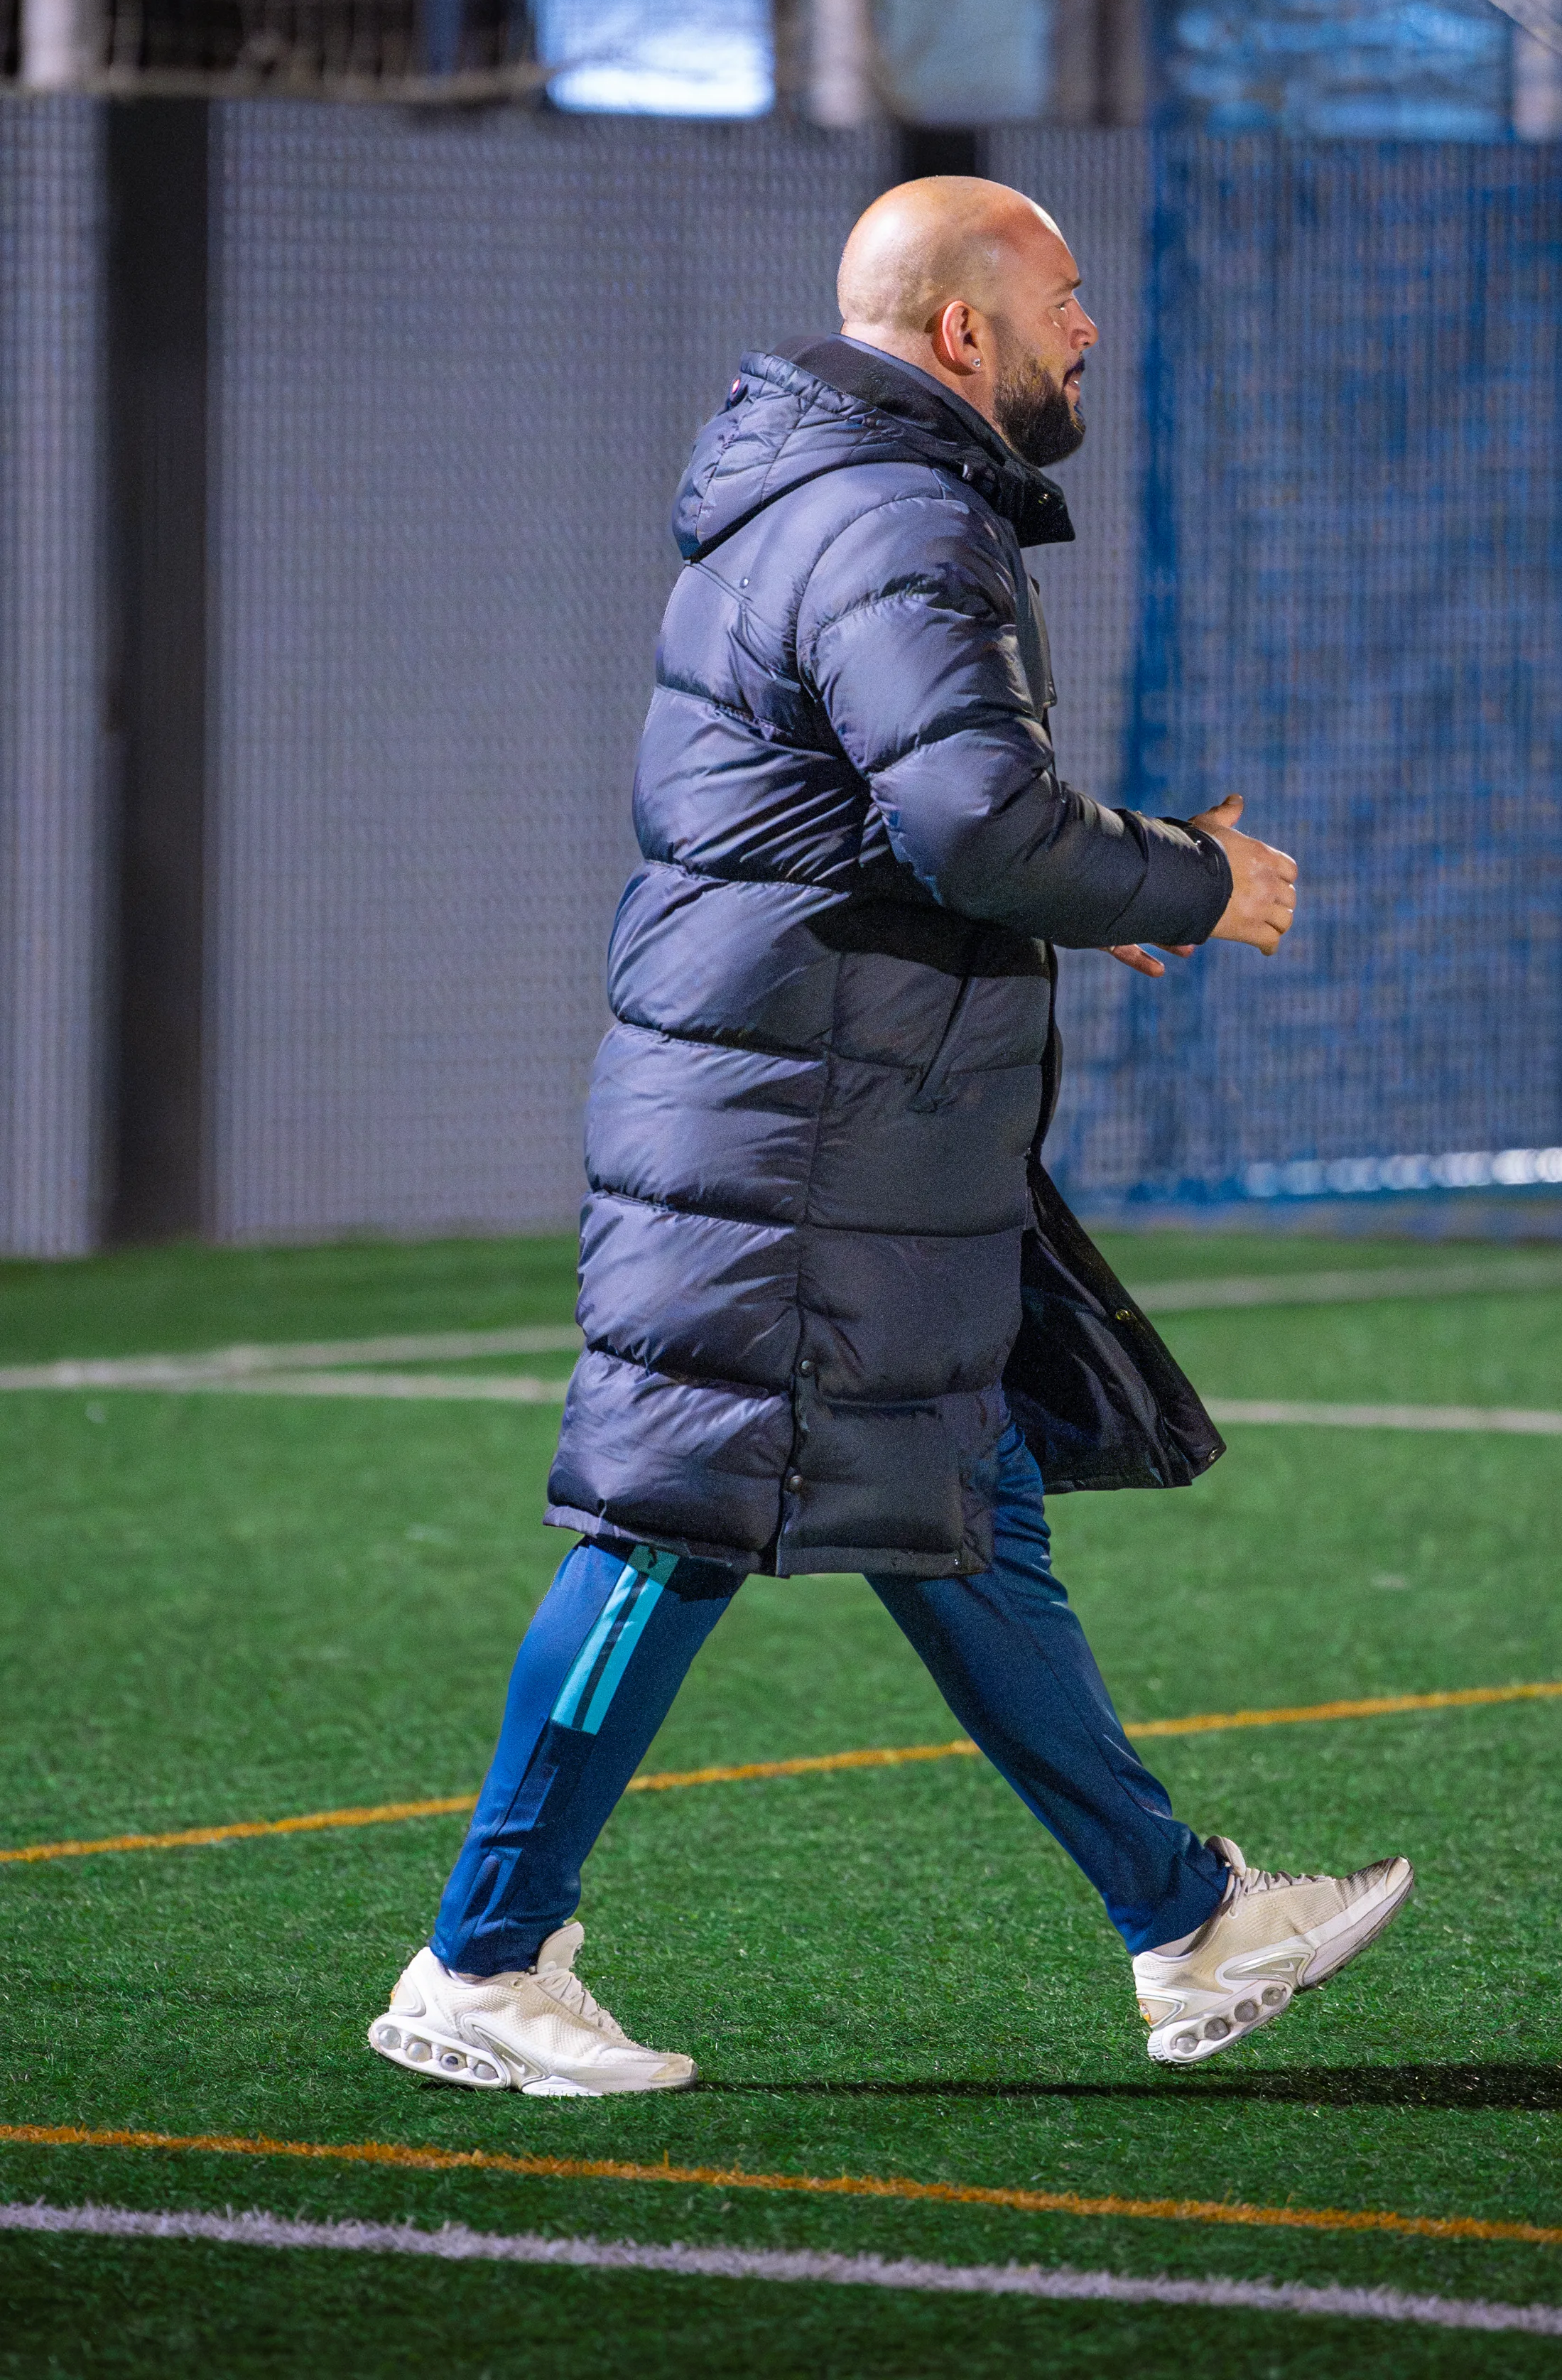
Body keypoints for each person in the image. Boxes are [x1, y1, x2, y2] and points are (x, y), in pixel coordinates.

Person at [368, 177, 1411, 2099]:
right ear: (960, 333)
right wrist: (1193, 882)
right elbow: (974, 825)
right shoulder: (897, 515)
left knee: (960, 1508)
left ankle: (1188, 1922)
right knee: (671, 1524)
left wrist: (1096, 882)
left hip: (837, 1110)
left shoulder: (841, 498)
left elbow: (919, 817)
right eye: (1063, 298)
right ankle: (480, 1963)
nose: (1089, 327)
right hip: (798, 1132)